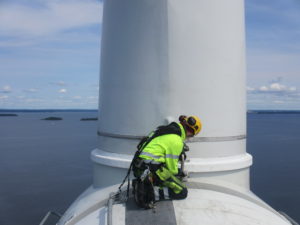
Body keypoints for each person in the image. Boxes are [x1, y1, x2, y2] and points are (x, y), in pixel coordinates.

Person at [132, 115, 202, 208]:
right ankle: (146, 193)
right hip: (150, 168)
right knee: (181, 192)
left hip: (139, 167)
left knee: (165, 177)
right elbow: (171, 168)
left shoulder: (164, 130)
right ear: (190, 132)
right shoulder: (177, 141)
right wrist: (180, 173)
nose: (189, 138)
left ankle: (146, 185)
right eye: (191, 135)